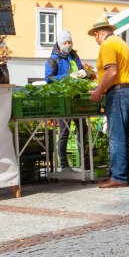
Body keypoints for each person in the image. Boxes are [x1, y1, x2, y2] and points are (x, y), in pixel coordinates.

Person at [88, 16, 129, 188]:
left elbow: (112, 72)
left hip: (118, 92)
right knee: (122, 136)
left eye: (95, 36)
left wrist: (98, 91)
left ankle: (119, 177)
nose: (95, 40)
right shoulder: (121, 43)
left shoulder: (107, 45)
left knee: (116, 136)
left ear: (98, 33)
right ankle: (121, 175)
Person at [45, 30, 89, 172]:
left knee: (83, 129)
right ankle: (64, 165)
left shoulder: (74, 56)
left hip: (77, 98)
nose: (68, 45)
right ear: (59, 43)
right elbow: (49, 78)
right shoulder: (53, 59)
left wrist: (85, 74)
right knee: (64, 132)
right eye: (65, 42)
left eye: (70, 42)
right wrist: (68, 77)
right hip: (63, 100)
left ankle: (85, 163)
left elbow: (80, 71)